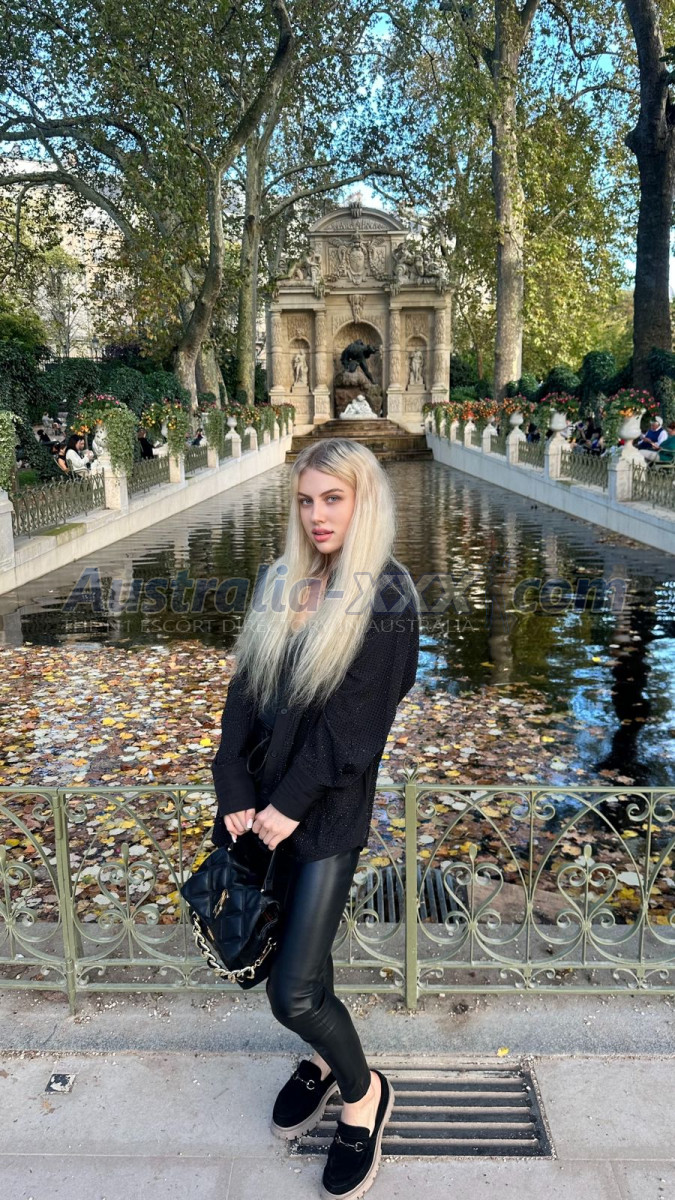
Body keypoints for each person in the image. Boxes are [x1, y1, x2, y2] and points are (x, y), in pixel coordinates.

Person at [209, 438, 420, 1200]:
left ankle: (364, 1094)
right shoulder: (282, 579)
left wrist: (283, 809)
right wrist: (232, 782)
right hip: (257, 814)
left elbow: (351, 735)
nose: (317, 515)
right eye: (305, 500)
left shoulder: (386, 598)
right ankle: (326, 1060)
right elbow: (244, 692)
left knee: (292, 991)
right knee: (292, 960)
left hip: (322, 820)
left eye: (333, 498)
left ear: (364, 501)